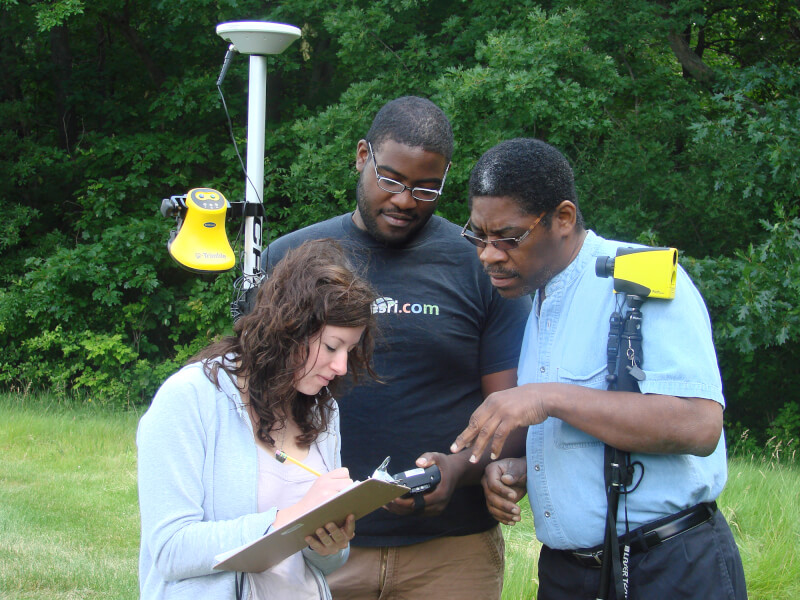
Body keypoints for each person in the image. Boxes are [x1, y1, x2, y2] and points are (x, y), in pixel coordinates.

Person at [450, 137, 747, 599]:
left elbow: (699, 425)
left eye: (508, 237)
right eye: (478, 236)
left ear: (563, 218)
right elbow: (591, 431)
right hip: (569, 575)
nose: (488, 254)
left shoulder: (642, 275)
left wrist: (547, 396)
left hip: (667, 569)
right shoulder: (537, 299)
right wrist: (525, 469)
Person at [264, 96, 532, 599]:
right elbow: (257, 397)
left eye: (427, 187)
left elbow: (512, 415)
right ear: (362, 155)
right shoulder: (293, 258)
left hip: (453, 554)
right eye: (391, 179)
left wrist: (456, 471)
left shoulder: (481, 265)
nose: (407, 200)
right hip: (319, 544)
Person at [137, 239, 379, 600]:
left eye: (350, 350)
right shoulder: (190, 399)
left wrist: (328, 546)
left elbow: (321, 566)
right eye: (332, 347)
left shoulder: (323, 411)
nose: (341, 366)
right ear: (290, 327)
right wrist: (289, 518)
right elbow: (171, 550)